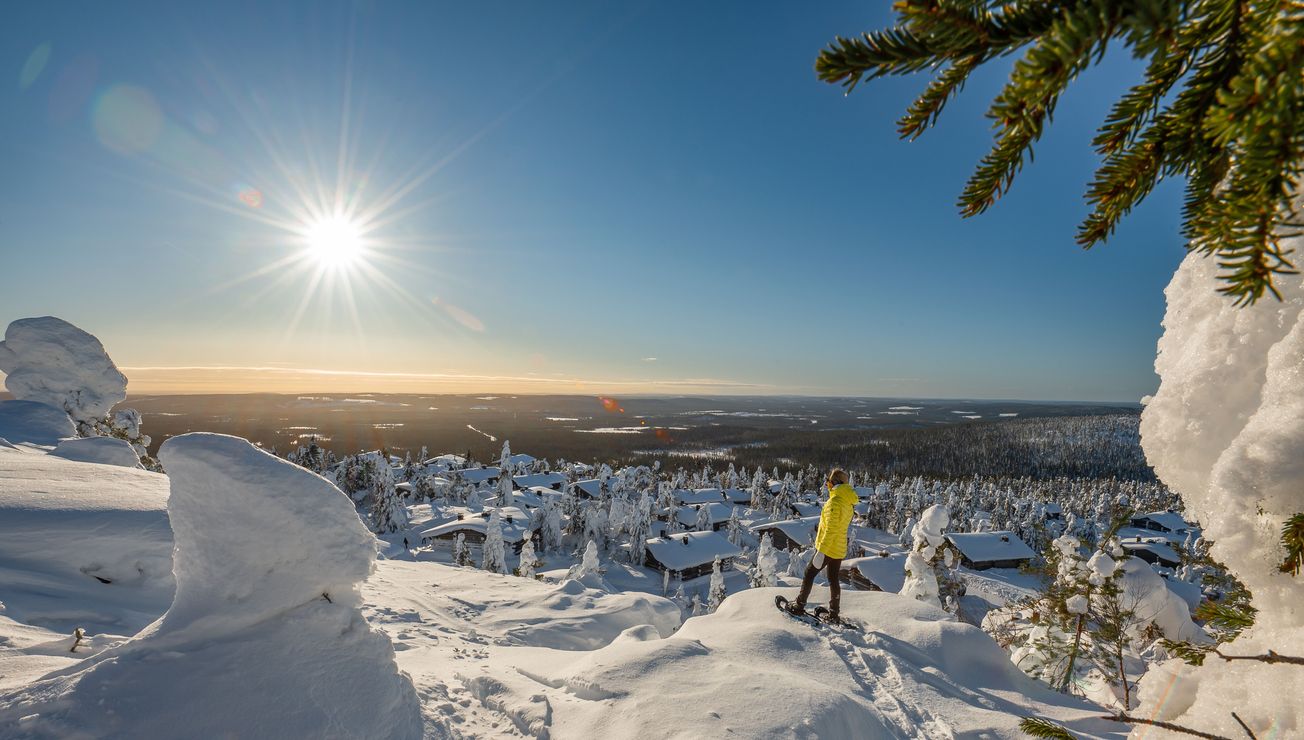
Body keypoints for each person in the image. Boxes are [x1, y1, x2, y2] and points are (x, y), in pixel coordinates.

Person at [786, 468, 858, 622]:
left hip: (828, 547)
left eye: (829, 482)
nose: (827, 485)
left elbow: (831, 529)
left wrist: (821, 551)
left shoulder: (835, 502)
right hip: (839, 548)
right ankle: (833, 613)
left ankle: (799, 605)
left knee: (809, 573)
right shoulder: (847, 501)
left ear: (835, 483)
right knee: (833, 579)